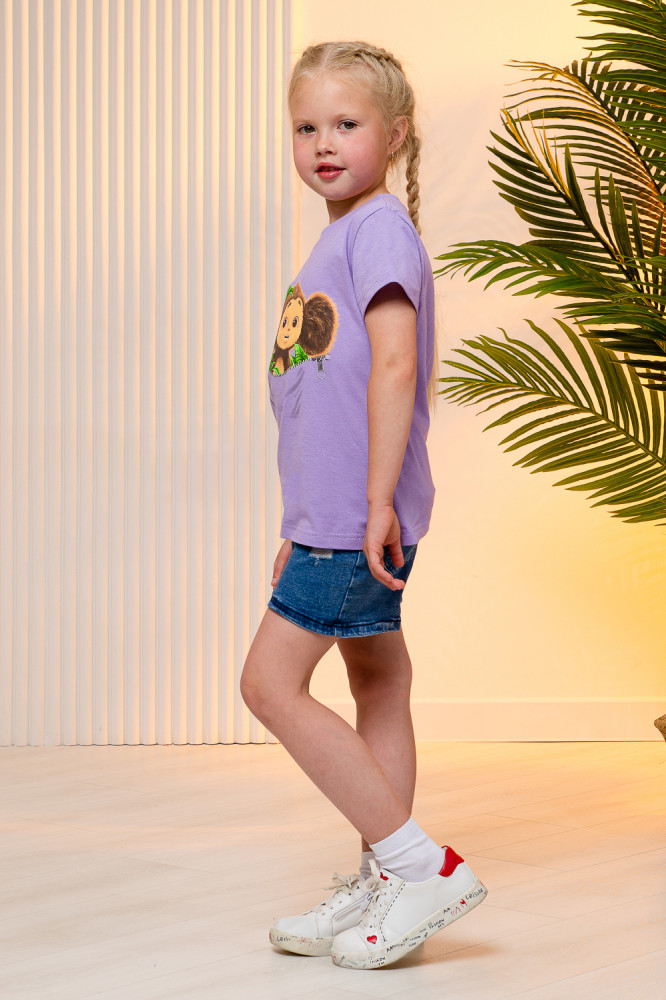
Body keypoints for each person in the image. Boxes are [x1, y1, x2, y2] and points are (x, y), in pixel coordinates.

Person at [240, 40, 487, 971]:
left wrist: (372, 502)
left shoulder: (378, 231)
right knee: (379, 682)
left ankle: (422, 868)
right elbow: (318, 402)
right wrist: (297, 524)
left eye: (346, 124)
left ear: (396, 133)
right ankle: (387, 879)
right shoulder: (339, 238)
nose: (323, 143)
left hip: (359, 516)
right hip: (334, 516)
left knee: (268, 687)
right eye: (306, 127)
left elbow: (394, 366)